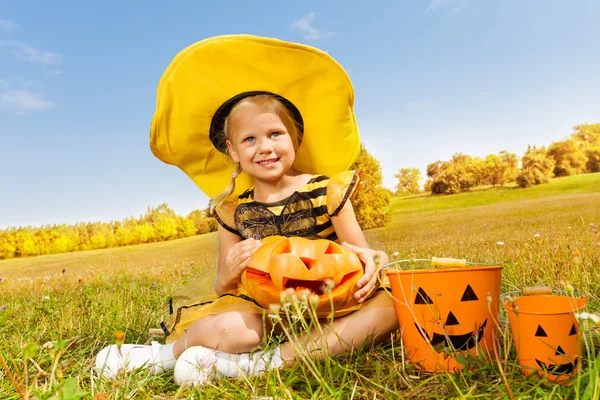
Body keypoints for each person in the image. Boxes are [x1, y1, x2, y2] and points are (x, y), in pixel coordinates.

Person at [95, 34, 399, 386]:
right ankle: (160, 357)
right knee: (234, 328)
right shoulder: (233, 211)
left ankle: (262, 364)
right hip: (262, 312)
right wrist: (230, 270)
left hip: (331, 304)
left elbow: (359, 254)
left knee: (391, 309)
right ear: (233, 151)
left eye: (274, 134)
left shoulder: (327, 191)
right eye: (249, 139)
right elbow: (224, 285)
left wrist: (376, 262)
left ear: (294, 139)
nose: (264, 147)